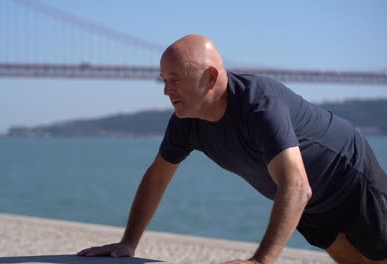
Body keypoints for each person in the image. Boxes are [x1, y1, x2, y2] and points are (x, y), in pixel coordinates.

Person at [77, 34, 387, 264]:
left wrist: (260, 261)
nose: (166, 91)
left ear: (210, 78)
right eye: (163, 80)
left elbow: (297, 185)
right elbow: (157, 177)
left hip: (349, 176)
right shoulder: (187, 120)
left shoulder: (259, 104)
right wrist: (128, 243)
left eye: (175, 80)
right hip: (305, 203)